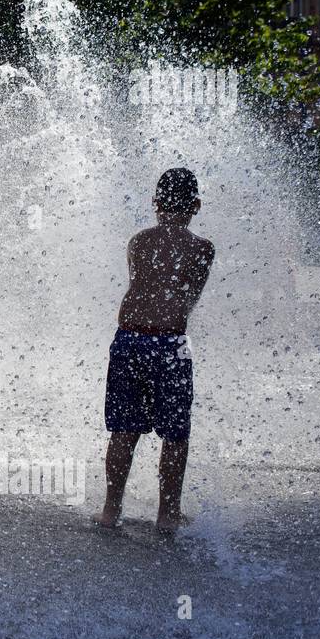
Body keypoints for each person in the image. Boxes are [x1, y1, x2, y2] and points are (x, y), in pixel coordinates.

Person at [96, 168, 215, 536]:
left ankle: (110, 509)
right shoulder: (202, 248)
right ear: (195, 205)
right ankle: (167, 514)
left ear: (155, 203)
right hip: (169, 344)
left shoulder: (138, 241)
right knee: (175, 435)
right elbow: (188, 298)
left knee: (123, 431)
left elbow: (141, 284)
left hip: (129, 339)